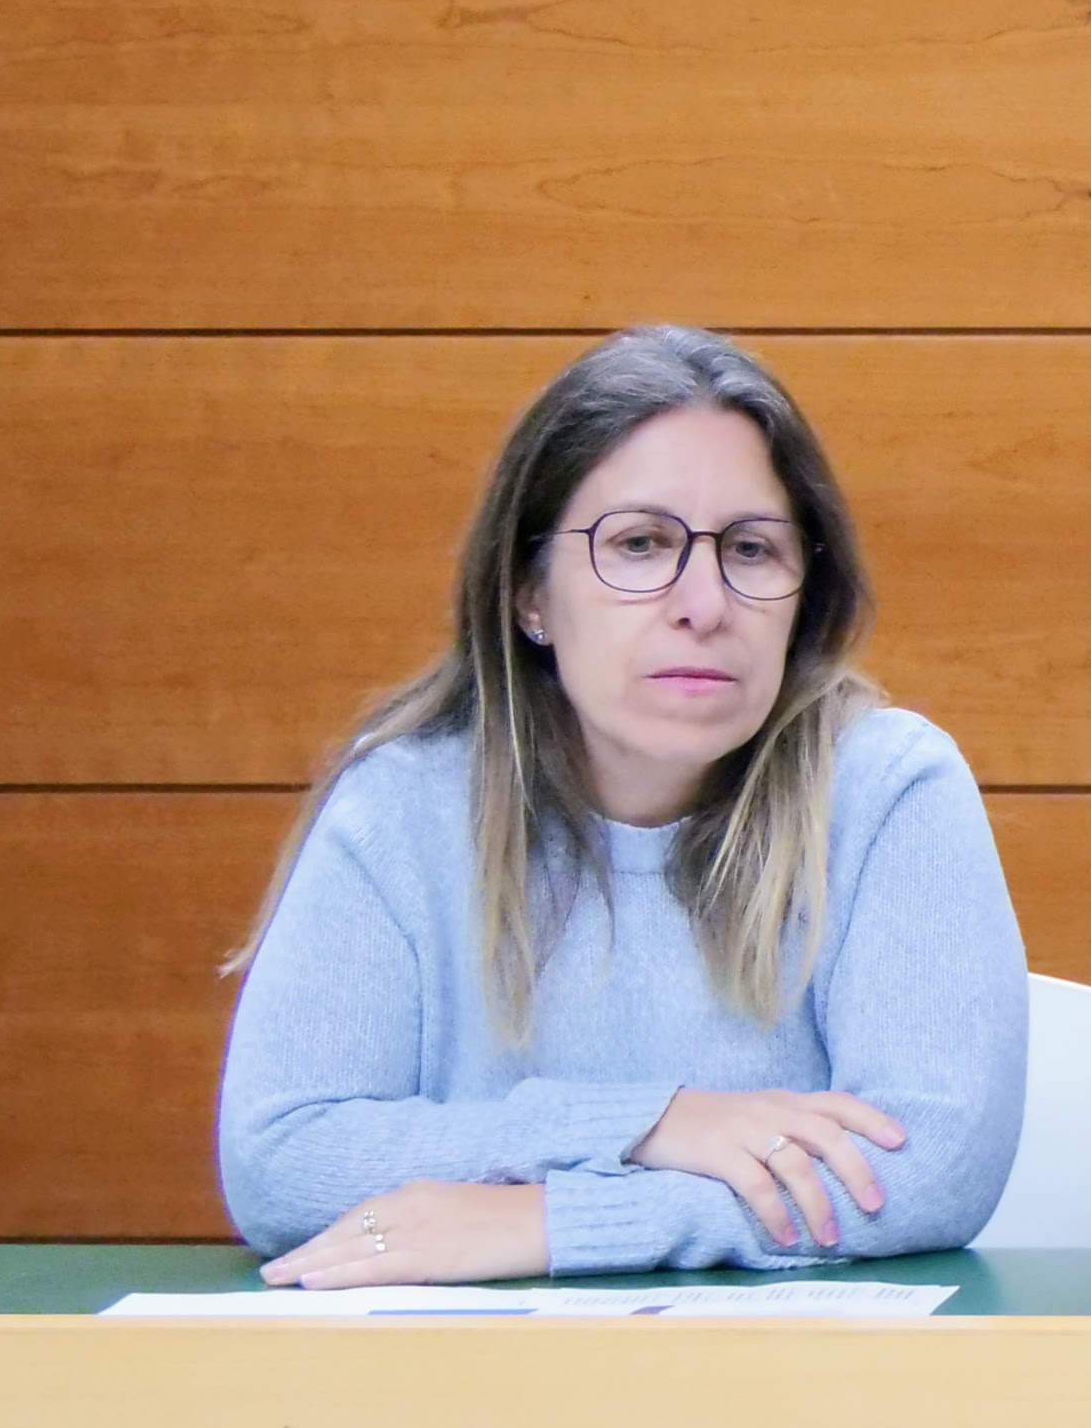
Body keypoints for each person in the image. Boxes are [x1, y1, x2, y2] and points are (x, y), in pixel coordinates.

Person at [219, 327, 1029, 1283]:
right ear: (530, 593)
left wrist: (562, 1225)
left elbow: (933, 1165)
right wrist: (652, 1124)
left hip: (803, 1401)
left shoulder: (887, 787)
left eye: (752, 549)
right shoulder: (402, 805)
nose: (704, 602)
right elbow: (281, 1158)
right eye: (640, 545)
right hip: (462, 1395)